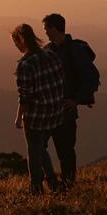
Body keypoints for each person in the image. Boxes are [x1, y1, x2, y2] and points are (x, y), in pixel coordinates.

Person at [11, 23, 66, 194]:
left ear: (21, 40)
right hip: (55, 112)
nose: (17, 48)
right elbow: (60, 81)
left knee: (33, 152)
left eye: (16, 44)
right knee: (40, 147)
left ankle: (36, 189)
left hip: (37, 114)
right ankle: (53, 184)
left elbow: (25, 96)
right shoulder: (51, 55)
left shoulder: (25, 65)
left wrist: (19, 117)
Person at [42, 12, 82, 189]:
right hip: (50, 110)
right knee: (41, 147)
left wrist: (76, 100)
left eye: (46, 29)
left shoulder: (74, 50)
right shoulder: (48, 51)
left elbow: (91, 78)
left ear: (54, 29)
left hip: (65, 110)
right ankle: (53, 182)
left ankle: (68, 184)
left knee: (65, 150)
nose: (45, 33)